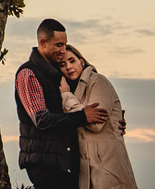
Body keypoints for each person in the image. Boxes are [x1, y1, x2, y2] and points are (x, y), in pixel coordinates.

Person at [15, 19, 108, 189]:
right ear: (43, 43)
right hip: (44, 165)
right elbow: (41, 119)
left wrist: (114, 120)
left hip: (66, 163)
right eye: (59, 45)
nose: (63, 50)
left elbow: (82, 102)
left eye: (64, 45)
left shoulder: (58, 74)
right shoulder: (28, 73)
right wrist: (82, 117)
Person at [58, 44, 139, 189]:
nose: (68, 67)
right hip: (88, 174)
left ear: (81, 61)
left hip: (109, 171)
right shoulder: (72, 91)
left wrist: (66, 96)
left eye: (72, 61)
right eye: (63, 65)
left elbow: (96, 124)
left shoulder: (98, 81)